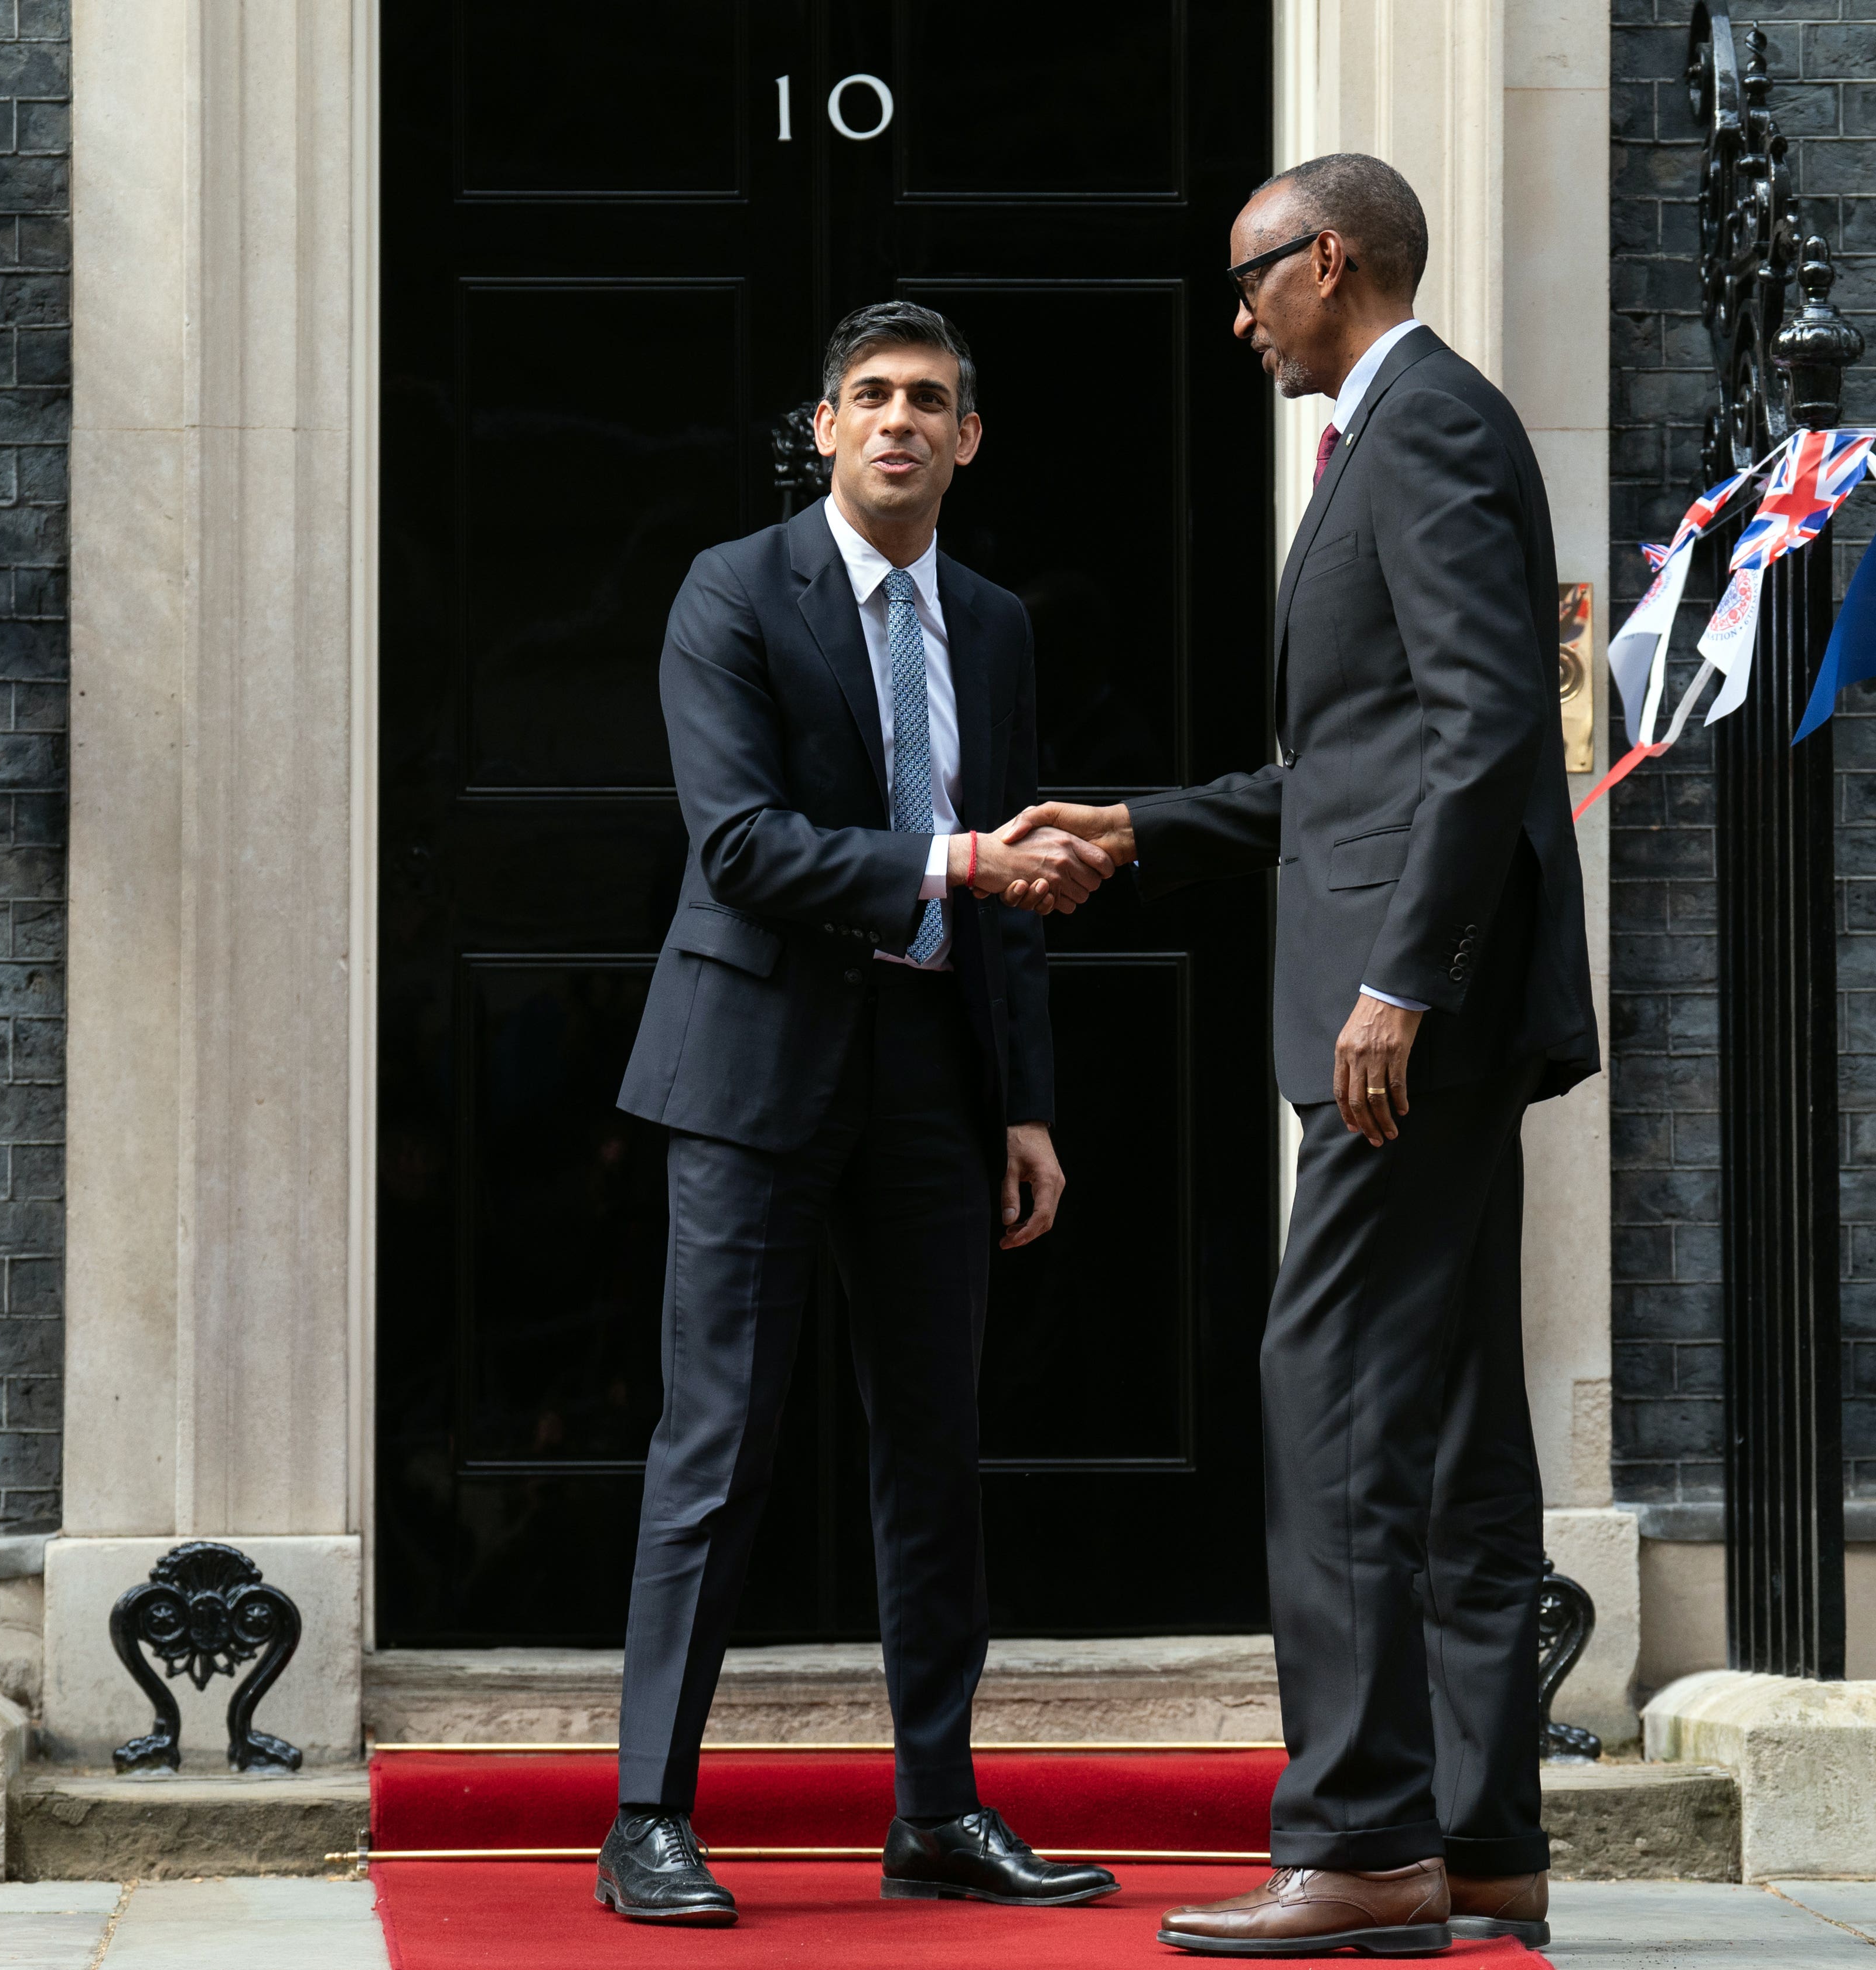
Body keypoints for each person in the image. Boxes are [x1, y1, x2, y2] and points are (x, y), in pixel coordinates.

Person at [1009, 154, 1599, 1957]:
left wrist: (1400, 983)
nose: (1240, 310)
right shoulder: (1405, 426)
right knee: (1455, 1427)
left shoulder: (1416, 425)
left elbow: (1497, 721)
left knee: (1324, 1383)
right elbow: (1359, 763)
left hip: (1404, 1024)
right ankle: (1485, 1836)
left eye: (1254, 277)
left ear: (1327, 261)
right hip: (1428, 1005)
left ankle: (1355, 1840)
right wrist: (1140, 822)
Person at [600, 301, 1124, 1927]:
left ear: (968, 440)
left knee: (934, 1452)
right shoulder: (731, 591)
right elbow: (744, 845)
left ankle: (938, 1808)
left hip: (932, 1075)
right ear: (822, 426)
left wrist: (1024, 1102)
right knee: (719, 1439)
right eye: (871, 396)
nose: (899, 421)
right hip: (755, 1068)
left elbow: (1025, 880)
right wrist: (954, 862)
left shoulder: (996, 619)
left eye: (932, 401)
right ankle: (646, 1814)